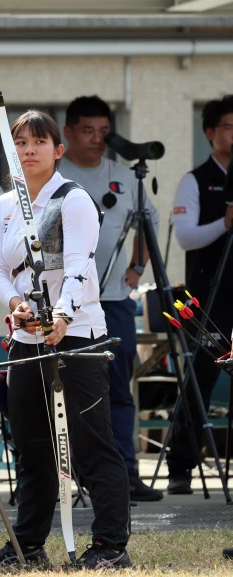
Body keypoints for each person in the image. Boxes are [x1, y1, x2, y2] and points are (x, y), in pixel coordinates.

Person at [0, 110, 131, 568]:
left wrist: (62, 315)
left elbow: (81, 264)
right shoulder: (2, 207)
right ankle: (30, 545)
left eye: (39, 142)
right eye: (20, 143)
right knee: (32, 444)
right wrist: (15, 305)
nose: (28, 150)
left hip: (77, 336)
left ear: (58, 151)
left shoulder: (74, 199)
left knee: (91, 442)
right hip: (26, 340)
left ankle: (109, 548)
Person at [58, 95, 163, 502]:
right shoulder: (55, 175)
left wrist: (137, 267)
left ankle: (126, 475)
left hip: (115, 300)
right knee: (65, 391)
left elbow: (149, 220)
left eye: (104, 131)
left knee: (118, 388)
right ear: (67, 133)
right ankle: (71, 477)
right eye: (88, 130)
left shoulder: (124, 176)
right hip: (63, 306)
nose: (97, 139)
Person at [170, 94, 233, 495]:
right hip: (210, 296)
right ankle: (181, 467)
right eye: (228, 126)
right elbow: (185, 237)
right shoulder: (194, 180)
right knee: (201, 377)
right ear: (210, 133)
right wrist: (225, 223)